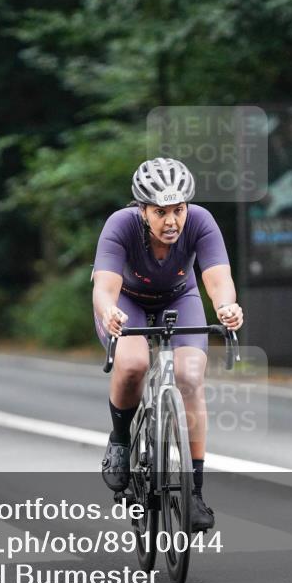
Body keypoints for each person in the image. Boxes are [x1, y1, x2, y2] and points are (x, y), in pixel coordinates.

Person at [91, 157, 244, 532]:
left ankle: (194, 494)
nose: (172, 221)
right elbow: (104, 288)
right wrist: (110, 312)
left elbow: (217, 278)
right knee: (133, 365)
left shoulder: (202, 222)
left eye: (179, 209)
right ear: (142, 211)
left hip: (180, 298)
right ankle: (121, 440)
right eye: (161, 212)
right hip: (127, 304)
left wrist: (226, 307)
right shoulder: (120, 225)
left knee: (190, 376)